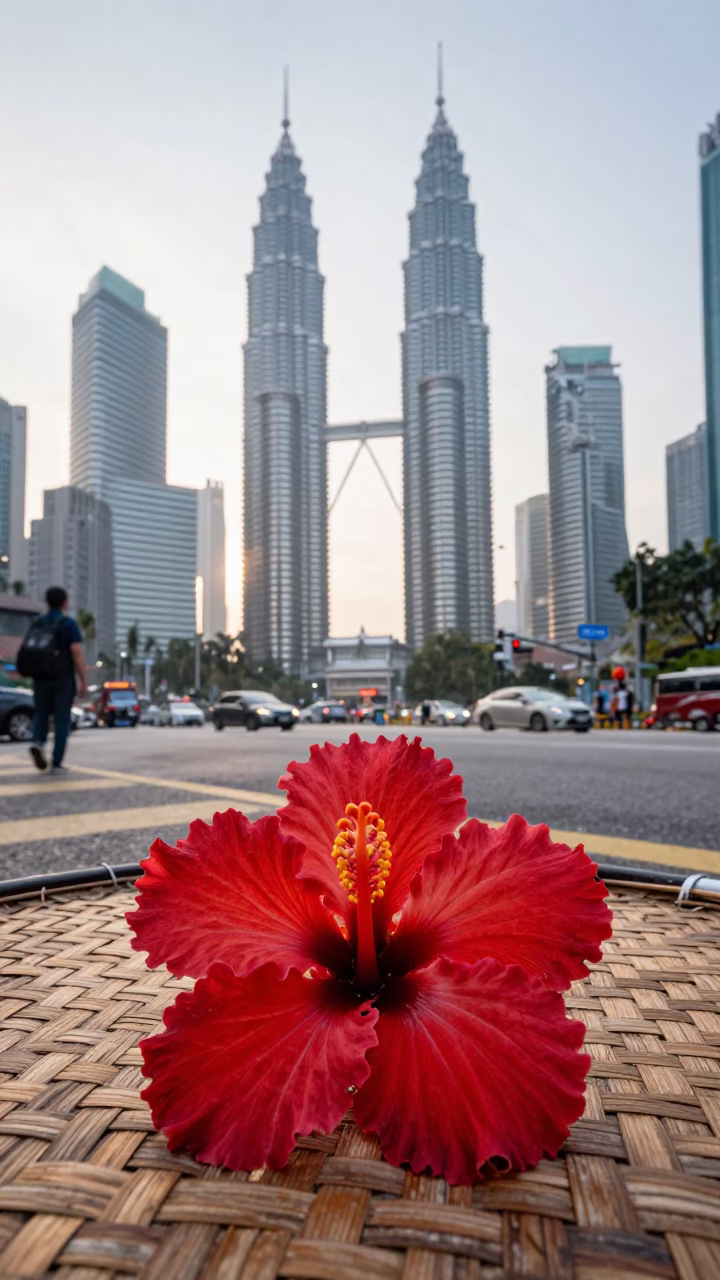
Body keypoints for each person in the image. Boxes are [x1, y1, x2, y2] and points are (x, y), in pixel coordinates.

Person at [28, 586, 87, 772]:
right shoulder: (68, 623)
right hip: (63, 679)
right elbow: (76, 651)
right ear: (65, 603)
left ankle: (38, 742)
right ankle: (57, 763)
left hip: (40, 677)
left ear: (46, 602)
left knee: (41, 713)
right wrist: (83, 679)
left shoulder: (37, 622)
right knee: (62, 719)